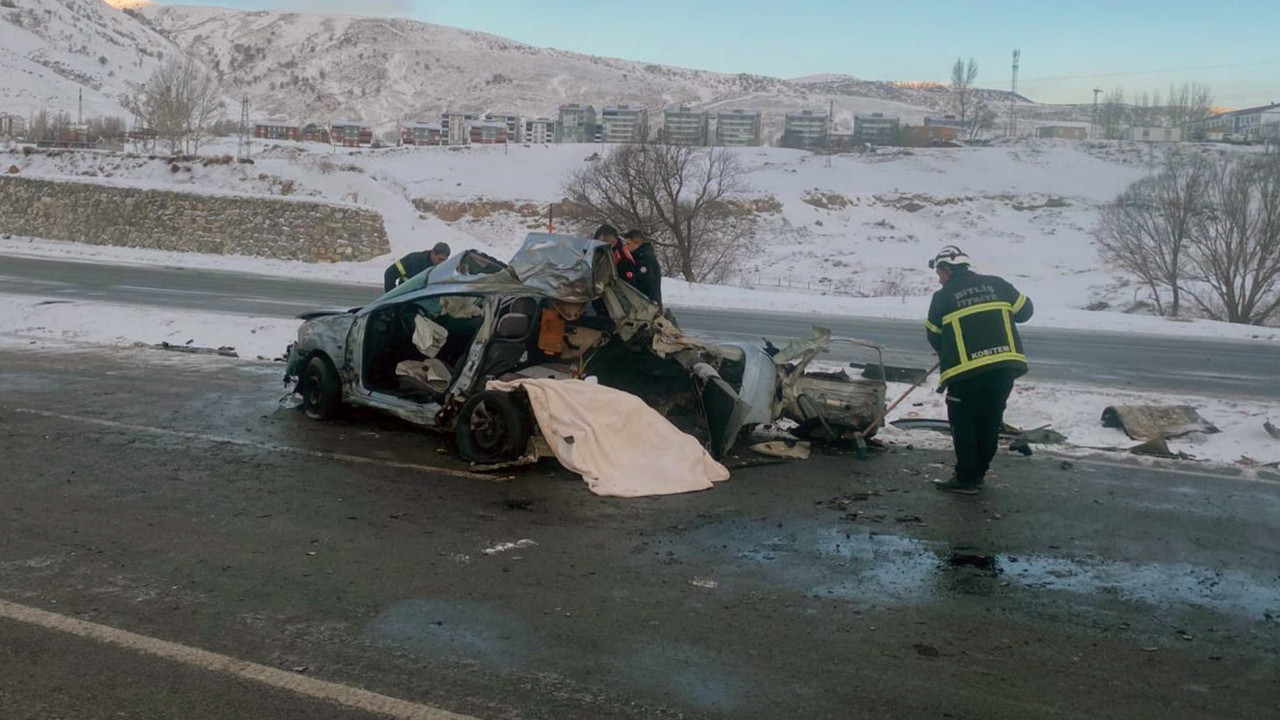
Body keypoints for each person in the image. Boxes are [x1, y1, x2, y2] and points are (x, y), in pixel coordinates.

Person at [925, 245, 1033, 495]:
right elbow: (1025, 312)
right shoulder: (997, 284)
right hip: (1003, 369)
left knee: (964, 424)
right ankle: (978, 475)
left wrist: (950, 348)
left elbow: (934, 336)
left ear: (947, 270)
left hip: (966, 373)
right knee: (989, 422)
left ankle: (966, 479)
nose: (939, 279)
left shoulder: (942, 297)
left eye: (939, 273)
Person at [383, 242, 451, 292]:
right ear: (433, 253)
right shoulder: (414, 260)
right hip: (404, 298)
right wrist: (391, 297)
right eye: (440, 259)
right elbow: (390, 273)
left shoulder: (443, 268)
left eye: (444, 260)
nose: (442, 262)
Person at [623, 229, 662, 306]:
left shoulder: (644, 258)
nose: (626, 247)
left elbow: (646, 282)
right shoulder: (641, 255)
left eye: (628, 244)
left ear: (636, 244)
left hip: (646, 303)